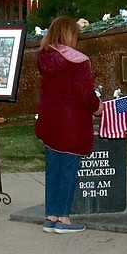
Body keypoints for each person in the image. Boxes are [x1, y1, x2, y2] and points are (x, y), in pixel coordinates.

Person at [35, 16, 101, 233]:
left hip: (49, 122)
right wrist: (98, 107)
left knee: (53, 171)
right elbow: (85, 95)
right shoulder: (79, 62)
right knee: (68, 172)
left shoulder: (43, 58)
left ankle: (50, 216)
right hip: (72, 125)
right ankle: (63, 218)